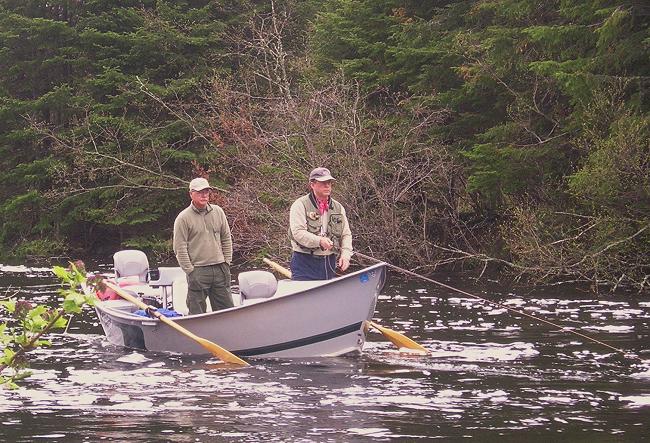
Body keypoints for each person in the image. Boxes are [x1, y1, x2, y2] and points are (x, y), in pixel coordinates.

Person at [173, 177, 234, 314]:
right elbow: (179, 248)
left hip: (220, 268)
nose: (204, 195)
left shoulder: (218, 212)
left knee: (227, 312)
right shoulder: (183, 218)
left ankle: (227, 334)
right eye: (200, 192)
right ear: (191, 194)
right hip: (198, 270)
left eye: (206, 191)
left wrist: (226, 262)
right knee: (196, 312)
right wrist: (190, 271)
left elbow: (226, 238)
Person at [288, 167, 353, 280]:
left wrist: (346, 255)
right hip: (304, 261)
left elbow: (346, 234)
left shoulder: (338, 207)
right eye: (323, 183)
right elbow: (298, 232)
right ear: (312, 184)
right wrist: (319, 241)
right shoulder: (299, 205)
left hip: (329, 262)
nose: (327, 186)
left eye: (329, 183)